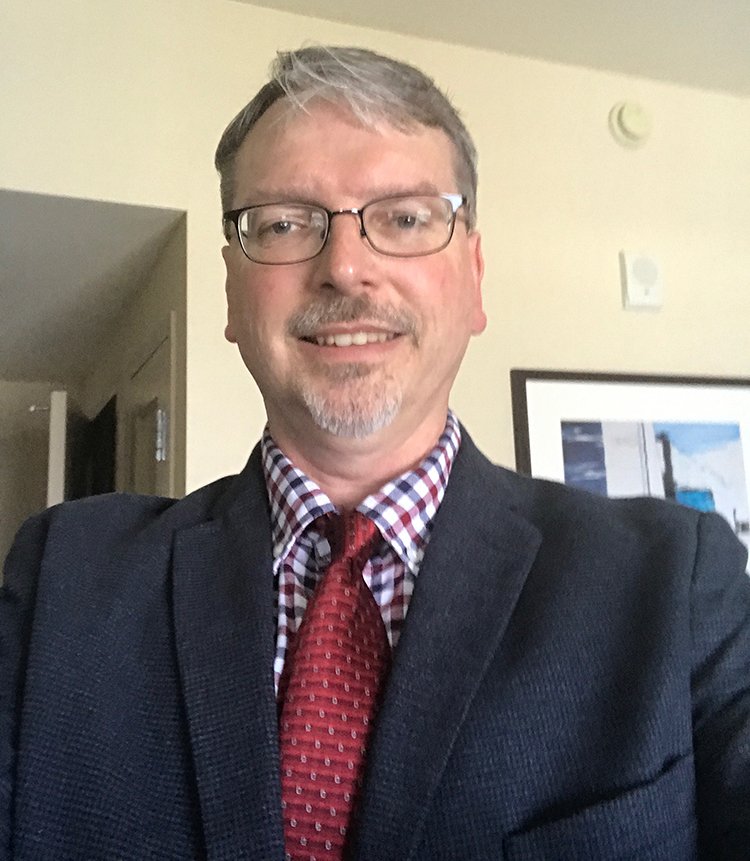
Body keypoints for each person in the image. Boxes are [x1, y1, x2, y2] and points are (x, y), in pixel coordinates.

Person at [1, 45, 748, 861]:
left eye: (406, 218)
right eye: (284, 223)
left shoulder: (675, 585)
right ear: (231, 293)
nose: (346, 268)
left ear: (474, 277)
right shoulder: (63, 578)